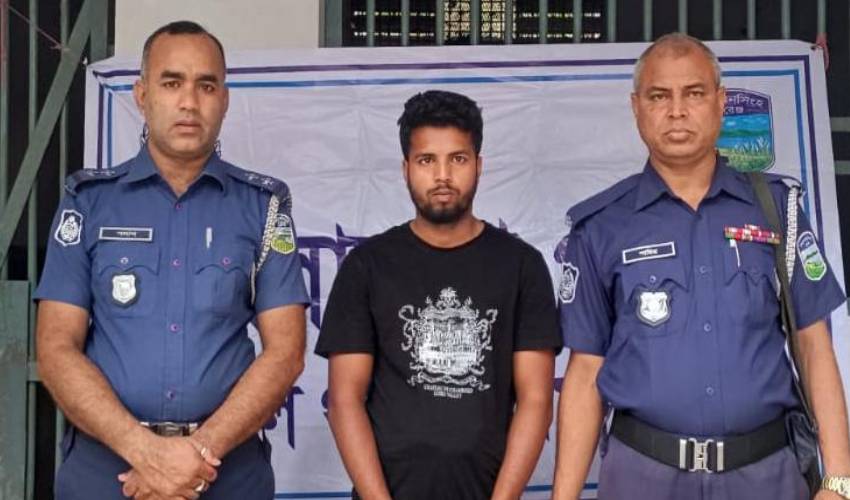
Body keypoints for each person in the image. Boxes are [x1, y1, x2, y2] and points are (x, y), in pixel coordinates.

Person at [552, 32, 850, 500]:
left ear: (720, 102)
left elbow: (815, 347)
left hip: (766, 475)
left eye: (693, 93)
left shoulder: (775, 209)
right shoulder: (602, 226)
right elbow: (586, 372)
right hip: (643, 477)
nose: (677, 111)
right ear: (636, 107)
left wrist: (839, 480)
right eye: (659, 96)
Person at [35, 21, 308, 499]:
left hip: (225, 473)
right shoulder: (88, 203)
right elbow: (57, 347)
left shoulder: (263, 207)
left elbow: (285, 351)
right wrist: (145, 453)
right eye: (171, 83)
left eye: (207, 86)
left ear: (225, 100)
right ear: (142, 95)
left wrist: (195, 455)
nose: (189, 102)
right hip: (108, 473)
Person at [315, 89, 562, 499]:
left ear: (479, 165)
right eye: (427, 160)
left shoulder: (521, 266)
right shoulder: (367, 266)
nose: (442, 175)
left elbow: (536, 401)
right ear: (406, 168)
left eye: (458, 159)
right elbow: (344, 401)